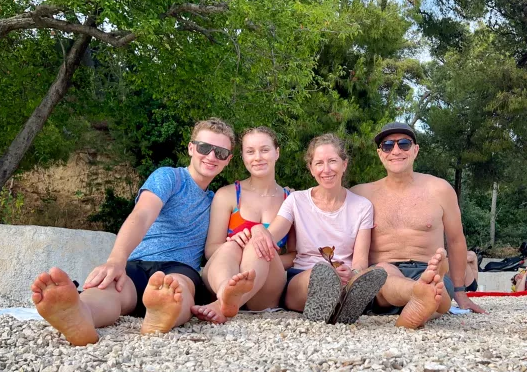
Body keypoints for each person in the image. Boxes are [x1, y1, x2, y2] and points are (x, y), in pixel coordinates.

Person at [30, 118, 235, 346]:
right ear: (190, 148)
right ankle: (81, 314)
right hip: (137, 263)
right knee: (109, 287)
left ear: (228, 160)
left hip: (180, 268)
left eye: (220, 152)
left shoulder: (218, 201)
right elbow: (142, 214)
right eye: (204, 147)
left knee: (178, 289)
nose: (211, 156)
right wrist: (116, 260)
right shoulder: (169, 177)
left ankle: (160, 317)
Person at [200, 133, 386, 324]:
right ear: (311, 169)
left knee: (335, 276)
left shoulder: (362, 206)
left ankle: (343, 299)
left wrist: (353, 273)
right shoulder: (296, 200)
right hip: (302, 274)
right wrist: (258, 231)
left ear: (344, 164)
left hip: (340, 273)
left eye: (333, 161)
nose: (327, 169)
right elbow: (272, 235)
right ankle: (334, 300)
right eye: (319, 163)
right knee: (283, 256)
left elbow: (360, 261)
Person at [351, 122, 486, 330]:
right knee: (384, 272)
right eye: (388, 145)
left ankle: (424, 295)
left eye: (404, 144)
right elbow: (327, 208)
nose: (396, 151)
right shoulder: (360, 194)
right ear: (380, 153)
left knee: (437, 279)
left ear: (415, 150)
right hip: (384, 276)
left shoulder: (440, 189)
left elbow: (456, 240)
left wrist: (461, 292)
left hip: (427, 266)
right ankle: (421, 294)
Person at [191, 126, 296, 323]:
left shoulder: (291, 199)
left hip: (264, 291)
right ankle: (225, 294)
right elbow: (210, 250)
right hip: (225, 272)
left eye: (264, 150)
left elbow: (295, 255)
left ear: (277, 153)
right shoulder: (227, 195)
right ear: (243, 157)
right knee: (232, 245)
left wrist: (258, 255)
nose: (257, 157)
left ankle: (221, 305)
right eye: (250, 151)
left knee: (260, 244)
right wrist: (238, 248)